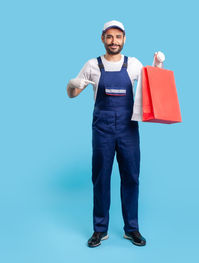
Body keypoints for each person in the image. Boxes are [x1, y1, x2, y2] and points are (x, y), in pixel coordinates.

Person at [66, 20, 146, 247]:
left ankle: (132, 229)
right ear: (102, 38)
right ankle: (100, 230)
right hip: (102, 130)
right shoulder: (92, 65)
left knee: (131, 176)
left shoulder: (134, 64)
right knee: (101, 178)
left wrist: (158, 66)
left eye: (118, 37)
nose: (114, 41)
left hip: (128, 129)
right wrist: (71, 84)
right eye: (109, 37)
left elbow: (154, 85)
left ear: (124, 39)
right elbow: (73, 93)